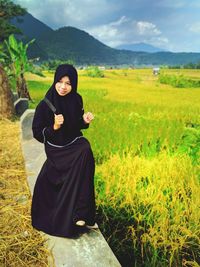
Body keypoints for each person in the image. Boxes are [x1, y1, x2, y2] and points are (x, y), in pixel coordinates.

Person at [31, 64, 97, 238]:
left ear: (73, 84)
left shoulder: (77, 99)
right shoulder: (45, 105)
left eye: (68, 83)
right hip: (56, 149)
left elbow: (75, 124)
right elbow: (37, 133)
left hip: (72, 143)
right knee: (82, 151)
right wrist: (54, 126)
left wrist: (84, 120)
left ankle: (81, 213)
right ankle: (76, 212)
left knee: (85, 149)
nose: (63, 87)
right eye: (60, 82)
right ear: (55, 81)